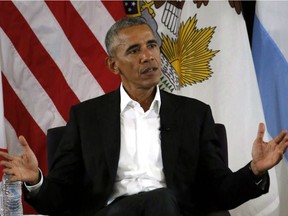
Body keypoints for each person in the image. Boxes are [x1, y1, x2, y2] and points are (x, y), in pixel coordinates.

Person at [0, 17, 287, 216]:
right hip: (110, 212)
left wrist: (255, 171)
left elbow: (219, 191)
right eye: (134, 50)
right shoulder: (86, 118)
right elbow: (60, 195)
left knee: (161, 200)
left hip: (173, 210)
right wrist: (36, 179)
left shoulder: (194, 114)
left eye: (152, 46)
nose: (148, 56)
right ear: (113, 65)